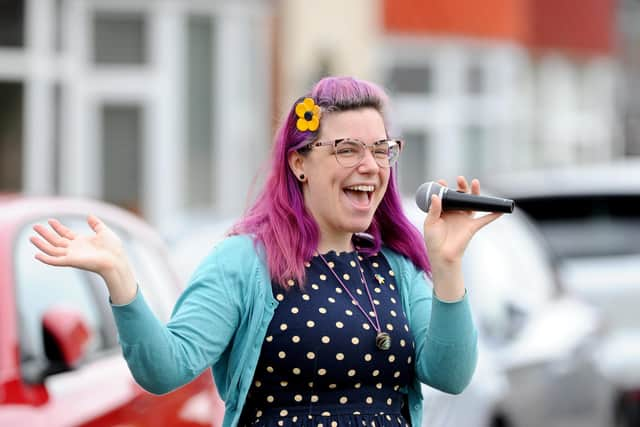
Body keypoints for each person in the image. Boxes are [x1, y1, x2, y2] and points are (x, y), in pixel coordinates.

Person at [31, 76, 502, 427]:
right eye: (347, 149)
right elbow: (165, 368)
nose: (370, 165)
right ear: (300, 162)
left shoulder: (395, 267)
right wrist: (121, 280)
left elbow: (451, 374)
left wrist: (447, 264)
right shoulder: (243, 262)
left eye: (382, 150)